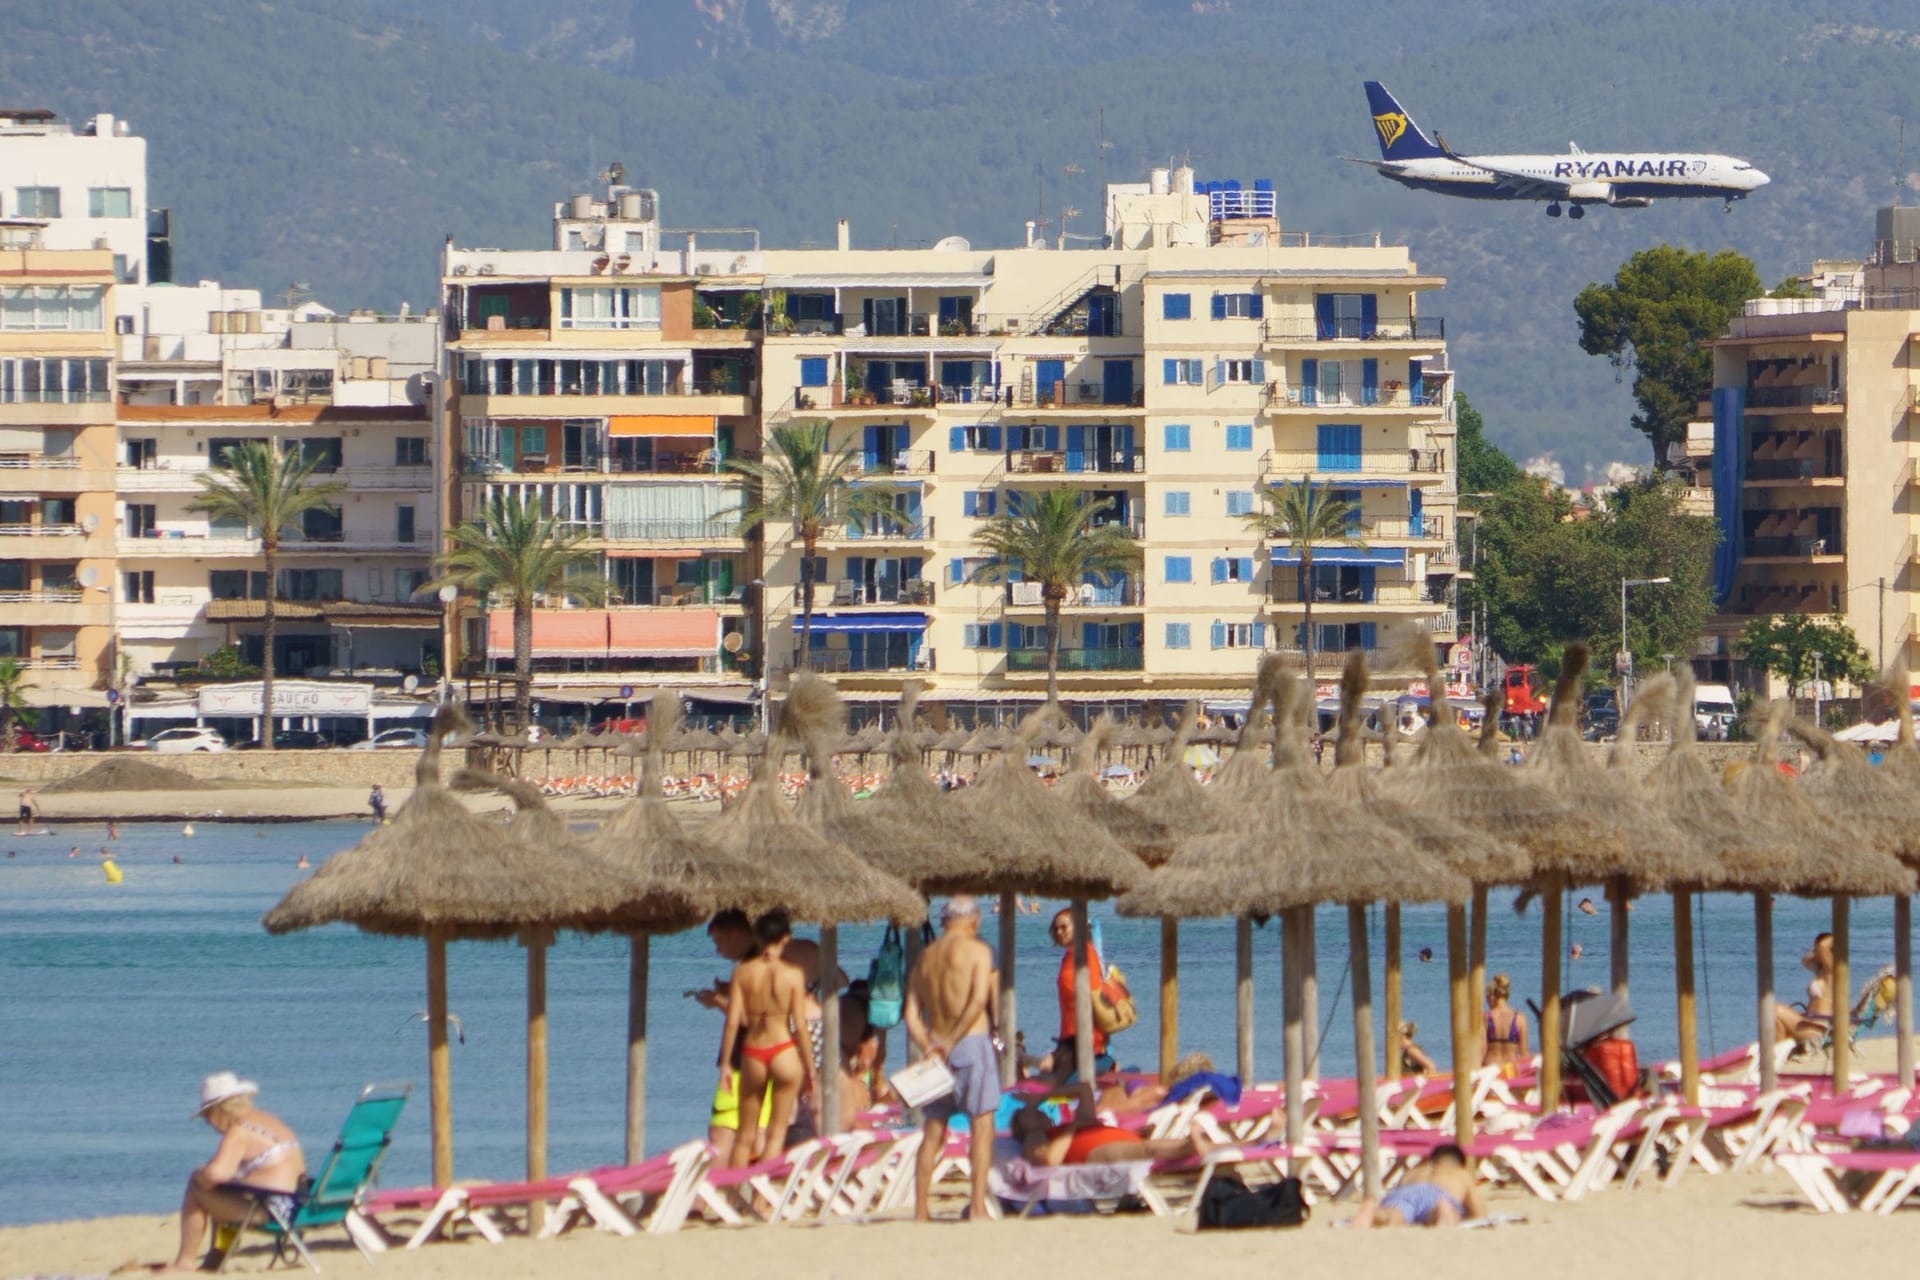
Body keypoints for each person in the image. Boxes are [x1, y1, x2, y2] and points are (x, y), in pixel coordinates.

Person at [905, 894, 999, 1223]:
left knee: (933, 1130)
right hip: (970, 1043)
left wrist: (930, 1044)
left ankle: (920, 1210)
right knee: (982, 1125)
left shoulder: (926, 957)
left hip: (935, 1051)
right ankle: (976, 1207)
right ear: (974, 920)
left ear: (944, 922)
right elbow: (977, 1001)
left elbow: (911, 1013)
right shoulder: (979, 951)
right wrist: (951, 1040)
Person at [159, 1072, 305, 1272]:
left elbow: (216, 1175)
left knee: (197, 1189)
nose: (209, 1123)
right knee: (222, 1192)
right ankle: (215, 1259)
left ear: (220, 1110)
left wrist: (199, 1174)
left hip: (272, 1210)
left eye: (208, 1116)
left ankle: (185, 1262)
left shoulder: (240, 1131)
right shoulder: (268, 1120)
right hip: (297, 1205)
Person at [718, 911, 813, 1168]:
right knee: (776, 1134)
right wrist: (811, 1071)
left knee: (744, 1135)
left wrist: (726, 1064)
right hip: (783, 1049)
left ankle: (735, 1200)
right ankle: (761, 1200)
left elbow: (733, 1022)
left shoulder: (743, 971)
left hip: (753, 1051)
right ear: (786, 938)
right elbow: (801, 1027)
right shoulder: (794, 974)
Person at [696, 910, 767, 1162]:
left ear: (736, 934)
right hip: (767, 1063)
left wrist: (719, 1002)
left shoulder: (747, 968)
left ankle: (714, 1197)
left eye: (719, 942)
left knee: (721, 1135)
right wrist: (729, 993)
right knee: (757, 1135)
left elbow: (751, 1020)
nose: (718, 950)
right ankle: (748, 1198)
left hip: (741, 1065)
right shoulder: (768, 961)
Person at [1008, 1082, 1212, 1166]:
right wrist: (1073, 1128)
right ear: (1018, 1128)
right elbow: (1051, 1159)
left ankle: (1206, 1146)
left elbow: (1084, 1089)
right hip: (1091, 1151)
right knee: (1147, 1149)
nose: (1031, 1111)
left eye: (1034, 1110)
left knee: (1148, 1146)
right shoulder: (1033, 1137)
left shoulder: (1071, 1125)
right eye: (1023, 1114)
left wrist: (1042, 1097)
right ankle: (1190, 1146)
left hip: (1111, 1137)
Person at [1350, 1144, 1485, 1227]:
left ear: (1431, 1160)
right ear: (1460, 1163)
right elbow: (1479, 1212)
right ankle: (1442, 1210)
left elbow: (1400, 1191)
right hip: (1439, 1195)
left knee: (1393, 1216)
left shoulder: (1414, 1172)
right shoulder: (1460, 1173)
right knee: (1446, 1213)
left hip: (1405, 1192)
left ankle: (1373, 1212)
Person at [1050, 907, 1111, 1080]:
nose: (1059, 932)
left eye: (1064, 927)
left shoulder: (1085, 954)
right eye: (1056, 929)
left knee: (1062, 1086)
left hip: (1086, 1037)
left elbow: (1094, 993)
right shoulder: (1069, 956)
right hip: (1069, 1036)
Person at [1776, 932, 1835, 1048]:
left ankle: (1778, 1052)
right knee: (1775, 1016)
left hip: (1819, 1029)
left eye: (1816, 947)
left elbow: (1823, 946)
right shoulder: (1821, 972)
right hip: (1809, 1023)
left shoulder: (1832, 972)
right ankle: (1779, 1051)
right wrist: (1817, 949)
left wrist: (1834, 939)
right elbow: (1805, 961)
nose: (1815, 950)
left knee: (1775, 1009)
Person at [1482, 973, 1529, 1068]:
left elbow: (1482, 1051)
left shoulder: (1485, 1017)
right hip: (1511, 1070)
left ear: (1493, 996)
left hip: (1490, 1068)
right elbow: (1524, 1053)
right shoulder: (1520, 1018)